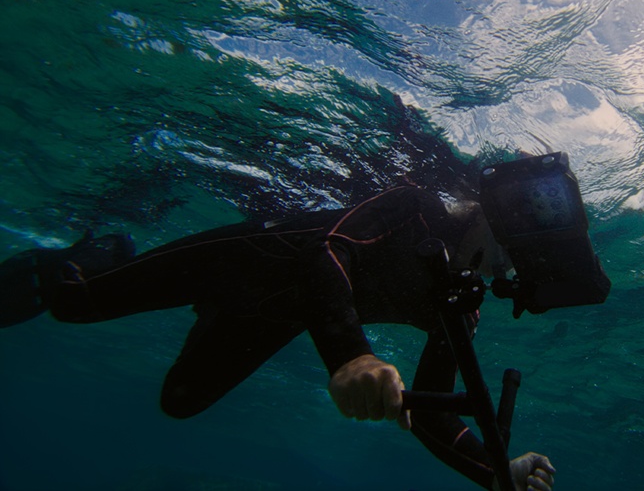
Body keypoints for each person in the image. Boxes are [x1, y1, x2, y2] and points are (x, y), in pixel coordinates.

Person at [0, 185, 556, 491]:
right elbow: (326, 252)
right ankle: (105, 251)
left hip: (271, 317)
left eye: (519, 258)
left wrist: (494, 471)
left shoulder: (460, 299)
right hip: (238, 259)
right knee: (74, 305)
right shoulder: (416, 208)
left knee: (180, 401)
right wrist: (353, 356)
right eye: (510, 243)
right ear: (490, 213)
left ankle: (195, 311)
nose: (506, 263)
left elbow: (435, 414)